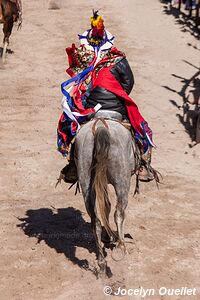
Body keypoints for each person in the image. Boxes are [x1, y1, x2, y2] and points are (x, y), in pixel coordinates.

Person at [57, 11, 156, 182]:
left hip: (90, 108)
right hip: (116, 108)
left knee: (70, 126)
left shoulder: (83, 57)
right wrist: (117, 95)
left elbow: (79, 86)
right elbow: (129, 83)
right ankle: (142, 165)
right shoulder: (118, 59)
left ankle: (73, 165)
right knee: (140, 128)